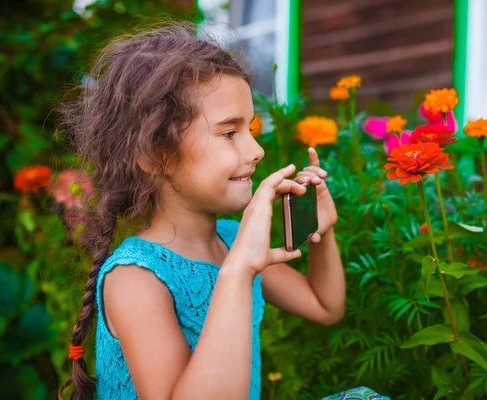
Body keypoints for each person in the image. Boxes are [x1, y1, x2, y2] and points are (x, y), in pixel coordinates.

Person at [57, 21, 347, 400]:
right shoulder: (136, 278)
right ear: (156, 156)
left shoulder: (229, 240)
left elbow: (324, 305)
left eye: (251, 130)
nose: (256, 151)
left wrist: (320, 234)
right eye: (230, 133)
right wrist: (239, 270)